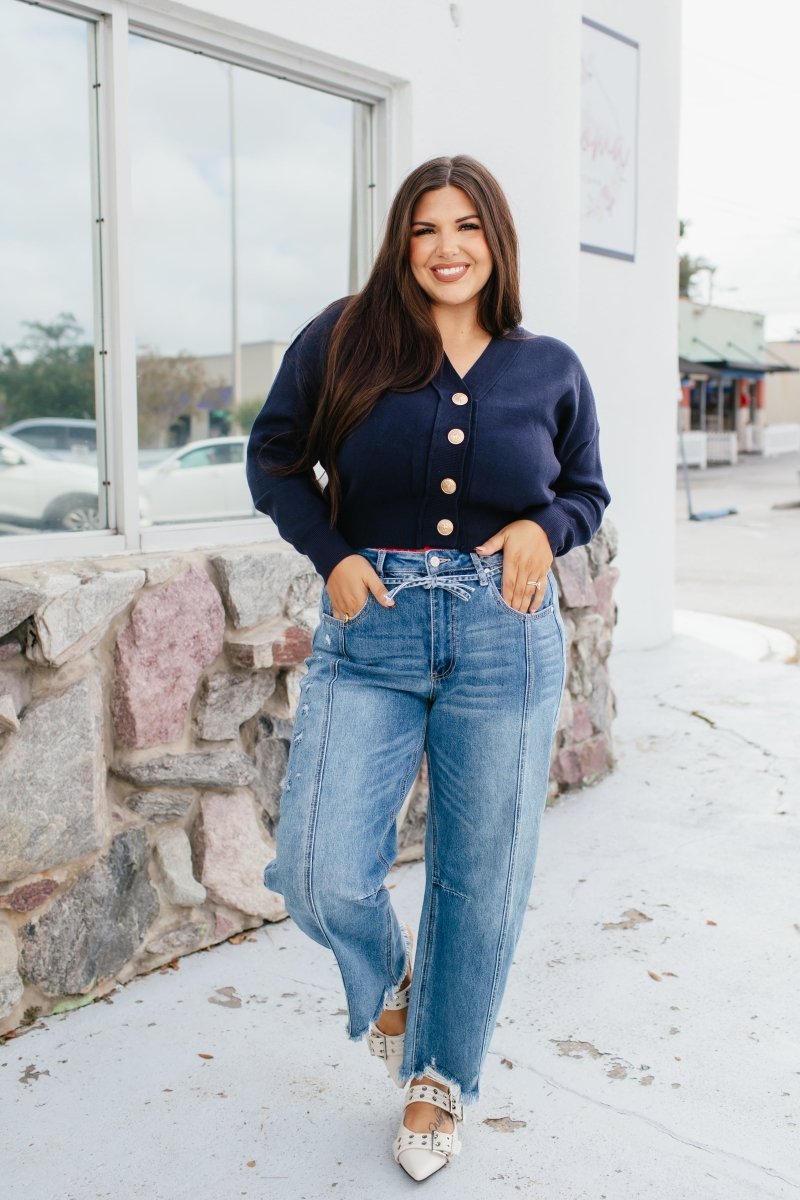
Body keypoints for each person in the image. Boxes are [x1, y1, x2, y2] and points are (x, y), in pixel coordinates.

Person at [246, 154, 610, 1182]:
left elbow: (586, 488)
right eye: (423, 228)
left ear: (494, 243)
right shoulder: (343, 336)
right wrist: (334, 554)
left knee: (479, 879)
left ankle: (436, 1081)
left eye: (466, 227)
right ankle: (390, 986)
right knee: (315, 869)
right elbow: (274, 457)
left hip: (505, 633)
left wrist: (547, 525)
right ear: (399, 242)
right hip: (373, 629)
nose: (445, 248)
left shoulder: (549, 368)